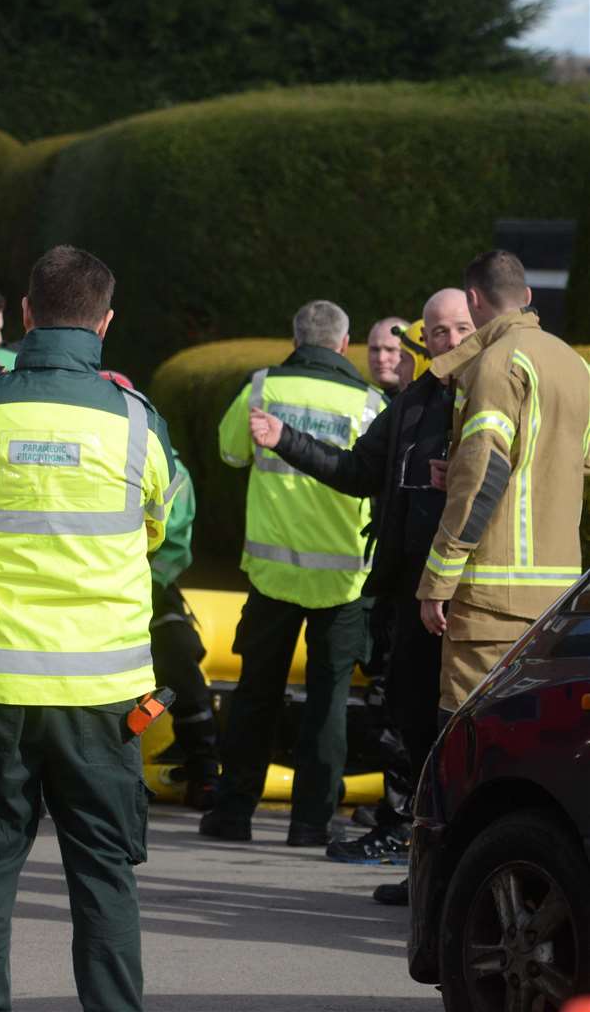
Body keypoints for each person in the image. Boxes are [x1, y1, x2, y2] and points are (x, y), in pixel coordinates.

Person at [0, 245, 178, 1012]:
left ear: (28, 314)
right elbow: (156, 529)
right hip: (102, 695)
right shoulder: (139, 423)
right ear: (106, 323)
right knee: (103, 875)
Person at [249, 287, 474, 902]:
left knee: (457, 733)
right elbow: (355, 471)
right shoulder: (414, 403)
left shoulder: (488, 395)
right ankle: (420, 863)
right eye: (437, 332)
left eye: (458, 329)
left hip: (470, 598)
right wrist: (284, 440)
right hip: (407, 594)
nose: (448, 341)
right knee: (408, 721)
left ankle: (450, 868)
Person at [200, 300, 381, 848]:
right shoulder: (370, 403)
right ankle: (309, 824)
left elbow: (231, 453)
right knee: (328, 705)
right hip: (343, 579)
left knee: (256, 693)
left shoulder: (262, 388)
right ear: (343, 343)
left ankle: (234, 814)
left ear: (296, 337)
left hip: (271, 573)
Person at [418, 250, 590, 722]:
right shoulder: (576, 367)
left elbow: (483, 477)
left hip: (491, 605)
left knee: (469, 744)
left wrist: (438, 580)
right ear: (527, 297)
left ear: (473, 299)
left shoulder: (495, 365)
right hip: (555, 602)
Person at [103, 367, 219, 811]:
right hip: (88, 588)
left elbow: (175, 547)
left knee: (179, 653)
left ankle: (204, 770)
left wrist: (143, 586)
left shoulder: (169, 467)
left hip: (144, 587)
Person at [367, 316, 408, 397]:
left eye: (390, 350)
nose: (381, 359)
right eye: (375, 349)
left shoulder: (431, 403)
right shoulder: (366, 400)